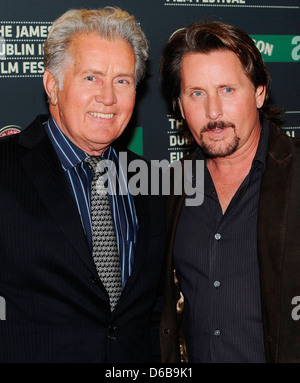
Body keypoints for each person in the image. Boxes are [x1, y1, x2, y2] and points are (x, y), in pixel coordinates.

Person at [0, 7, 165, 363]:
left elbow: (150, 316)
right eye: (91, 78)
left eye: (122, 81)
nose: (108, 97)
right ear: (52, 85)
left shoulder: (151, 181)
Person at [159, 21, 300, 363]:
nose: (213, 112)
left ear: (260, 92)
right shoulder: (168, 190)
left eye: (227, 90)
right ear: (179, 104)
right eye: (196, 93)